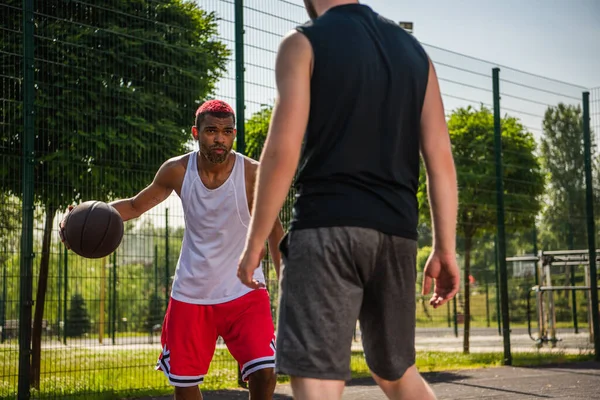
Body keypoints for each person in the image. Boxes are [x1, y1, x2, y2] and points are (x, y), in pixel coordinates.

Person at [237, 1, 460, 400]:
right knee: (397, 374)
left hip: (327, 228)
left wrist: (255, 242)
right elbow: (440, 160)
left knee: (317, 380)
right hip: (396, 235)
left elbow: (282, 150)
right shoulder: (415, 53)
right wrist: (445, 248)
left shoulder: (303, 43)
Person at [61, 100, 284, 400]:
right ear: (196, 132)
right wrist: (78, 218)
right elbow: (135, 206)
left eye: (227, 131)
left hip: (244, 291)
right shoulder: (177, 170)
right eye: (211, 131)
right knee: (184, 382)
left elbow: (274, 230)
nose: (220, 138)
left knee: (265, 373)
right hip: (191, 293)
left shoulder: (253, 174)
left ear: (234, 135)